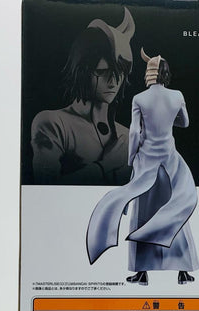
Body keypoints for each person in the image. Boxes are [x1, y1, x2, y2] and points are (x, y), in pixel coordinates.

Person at [86, 48, 199, 285]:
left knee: (142, 215)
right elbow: (185, 123)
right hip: (170, 161)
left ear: (149, 73)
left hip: (147, 161)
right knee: (175, 211)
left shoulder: (139, 99)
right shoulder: (177, 95)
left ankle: (141, 272)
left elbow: (135, 133)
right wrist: (169, 118)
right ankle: (183, 271)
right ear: (165, 73)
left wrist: (131, 160)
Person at [31, 8, 135, 185]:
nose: (113, 82)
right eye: (101, 71)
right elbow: (45, 188)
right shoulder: (53, 124)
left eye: (120, 73)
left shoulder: (127, 136)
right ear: (82, 70)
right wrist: (107, 165)